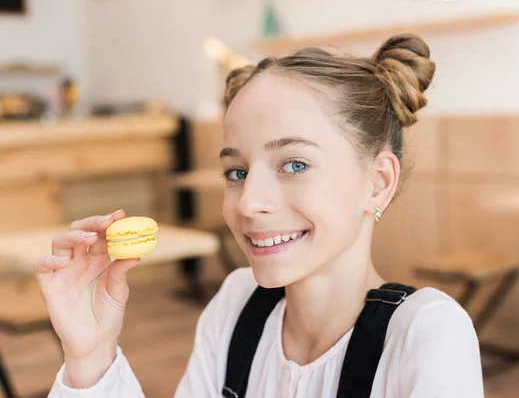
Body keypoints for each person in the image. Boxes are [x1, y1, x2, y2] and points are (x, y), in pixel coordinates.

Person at [35, 33, 484, 397]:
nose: (248, 202)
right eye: (237, 171)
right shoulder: (236, 304)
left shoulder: (424, 335)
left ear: (378, 182)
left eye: (294, 164)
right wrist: (90, 355)